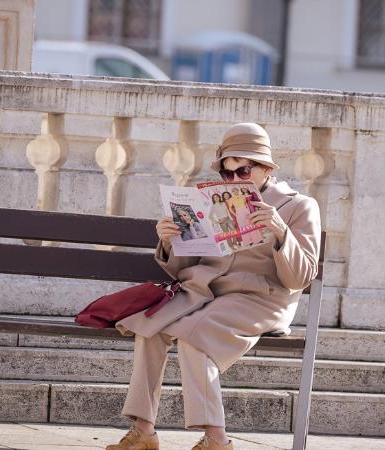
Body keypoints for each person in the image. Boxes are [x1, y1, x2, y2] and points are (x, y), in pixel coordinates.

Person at [107, 123, 322, 450]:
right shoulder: (209, 202)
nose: (234, 181)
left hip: (260, 298)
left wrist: (280, 232)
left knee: (195, 336)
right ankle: (143, 432)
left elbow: (301, 277)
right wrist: (169, 242)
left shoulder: (299, 206)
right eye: (228, 173)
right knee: (149, 326)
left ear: (266, 168)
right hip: (205, 291)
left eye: (244, 171)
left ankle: (216, 440)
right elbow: (185, 271)